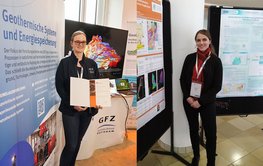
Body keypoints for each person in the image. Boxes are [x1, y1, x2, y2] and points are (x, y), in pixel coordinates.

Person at [55, 30, 101, 166]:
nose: (80, 44)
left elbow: (95, 86)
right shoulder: (64, 63)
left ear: (86, 44)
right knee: (71, 144)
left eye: (83, 42)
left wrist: (96, 101)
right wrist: (72, 103)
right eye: (77, 41)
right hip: (70, 110)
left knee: (78, 142)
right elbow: (60, 87)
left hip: (87, 111)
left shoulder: (92, 64)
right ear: (72, 44)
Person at [180, 29, 223, 166]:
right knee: (193, 130)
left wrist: (201, 101)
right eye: (198, 40)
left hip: (207, 102)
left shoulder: (216, 61)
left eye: (204, 39)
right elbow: (182, 80)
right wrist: (188, 97)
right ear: (196, 42)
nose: (201, 42)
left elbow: (217, 87)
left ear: (209, 41)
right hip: (189, 101)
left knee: (210, 134)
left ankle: (211, 162)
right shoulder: (189, 58)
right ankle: (196, 156)